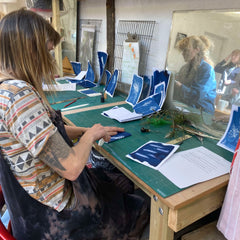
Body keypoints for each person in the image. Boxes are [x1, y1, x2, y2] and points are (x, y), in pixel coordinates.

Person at [0, 9, 149, 240]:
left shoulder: (6, 89)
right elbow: (71, 168)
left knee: (118, 183)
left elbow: (44, 137)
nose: (50, 60)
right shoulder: (19, 97)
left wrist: (84, 131)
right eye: (48, 52)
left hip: (29, 209)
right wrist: (90, 137)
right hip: (54, 221)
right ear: (30, 50)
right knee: (140, 206)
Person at [174, 35, 216, 114]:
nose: (183, 53)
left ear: (197, 50)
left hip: (202, 112)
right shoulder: (184, 68)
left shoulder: (206, 69)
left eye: (186, 50)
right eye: (182, 51)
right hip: (188, 108)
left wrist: (178, 85)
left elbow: (197, 96)